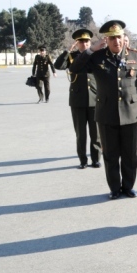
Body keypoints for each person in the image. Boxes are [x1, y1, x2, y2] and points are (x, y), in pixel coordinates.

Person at [69, 20, 137, 199]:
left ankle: (128, 186)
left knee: (130, 155)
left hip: (130, 113)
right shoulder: (97, 57)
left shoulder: (136, 56)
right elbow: (74, 68)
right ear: (106, 39)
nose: (116, 41)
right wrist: (91, 50)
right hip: (106, 113)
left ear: (124, 38)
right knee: (110, 155)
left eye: (119, 37)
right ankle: (114, 188)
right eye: (112, 38)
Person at [54, 29, 101, 169]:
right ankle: (83, 160)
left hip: (94, 98)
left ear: (90, 42)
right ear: (77, 43)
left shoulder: (95, 56)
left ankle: (96, 159)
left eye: (86, 41)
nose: (84, 44)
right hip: (77, 100)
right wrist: (66, 51)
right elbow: (58, 66)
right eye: (81, 42)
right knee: (80, 133)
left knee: (96, 133)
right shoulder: (72, 56)